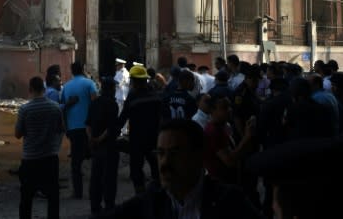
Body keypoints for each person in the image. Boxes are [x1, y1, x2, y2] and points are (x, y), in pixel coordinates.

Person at [105, 119, 261, 218]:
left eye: (174, 153)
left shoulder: (229, 202)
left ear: (198, 157)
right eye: (161, 153)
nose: (165, 162)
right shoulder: (152, 201)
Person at [16, 76, 64, 219]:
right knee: (53, 198)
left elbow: (17, 134)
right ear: (44, 90)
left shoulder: (25, 109)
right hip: (50, 158)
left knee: (26, 199)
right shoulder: (55, 108)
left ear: (30, 89)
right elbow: (61, 129)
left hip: (30, 159)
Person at [117, 64, 163, 194]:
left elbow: (123, 117)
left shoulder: (133, 96)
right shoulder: (155, 93)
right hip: (154, 138)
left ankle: (141, 198)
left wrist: (114, 133)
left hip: (137, 140)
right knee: (156, 168)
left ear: (134, 81)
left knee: (136, 171)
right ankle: (158, 195)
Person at [59, 60, 97, 199]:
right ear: (83, 69)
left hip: (73, 129)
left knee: (76, 163)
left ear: (72, 71)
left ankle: (78, 192)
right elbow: (95, 103)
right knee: (94, 159)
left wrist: (66, 128)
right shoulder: (89, 83)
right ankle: (96, 189)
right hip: (89, 128)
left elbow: (63, 106)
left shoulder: (66, 86)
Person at [86, 78, 119, 215]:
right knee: (109, 177)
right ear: (111, 89)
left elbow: (87, 124)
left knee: (96, 177)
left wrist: (92, 139)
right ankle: (109, 206)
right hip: (108, 145)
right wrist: (99, 139)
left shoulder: (94, 103)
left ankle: (95, 206)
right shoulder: (113, 104)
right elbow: (111, 128)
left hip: (95, 146)